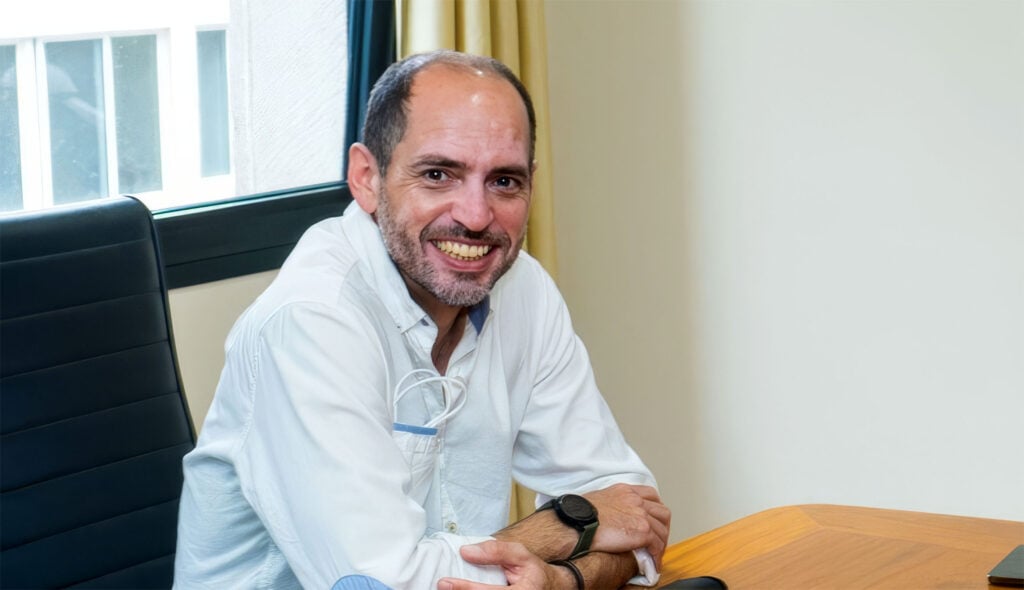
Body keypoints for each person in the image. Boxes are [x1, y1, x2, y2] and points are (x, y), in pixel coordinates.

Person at [173, 50, 671, 589]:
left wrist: (562, 583)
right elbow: (380, 583)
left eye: (504, 182)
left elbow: (635, 514)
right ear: (367, 177)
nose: (475, 217)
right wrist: (569, 527)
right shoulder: (312, 320)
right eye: (438, 174)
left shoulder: (522, 287)